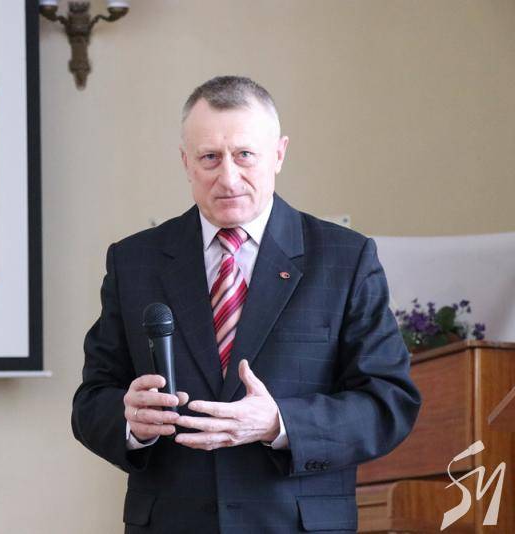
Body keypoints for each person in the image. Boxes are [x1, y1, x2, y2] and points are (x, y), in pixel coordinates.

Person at [71, 76, 421, 533]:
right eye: (210, 158)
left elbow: (389, 403)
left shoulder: (345, 258)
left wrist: (279, 422)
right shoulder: (135, 260)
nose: (228, 177)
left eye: (244, 155)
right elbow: (91, 400)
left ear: (278, 154)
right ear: (186, 162)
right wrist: (130, 421)